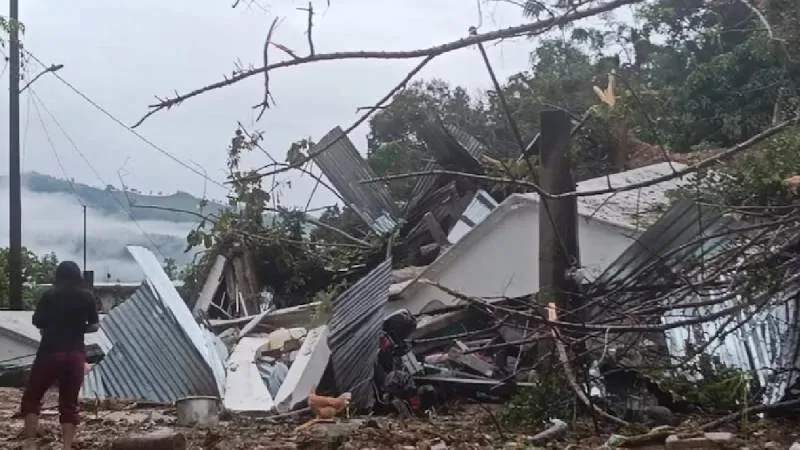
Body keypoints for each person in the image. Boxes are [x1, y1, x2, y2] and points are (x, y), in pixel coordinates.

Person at [19, 261, 99, 450]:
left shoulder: (50, 295)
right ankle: (66, 446)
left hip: (50, 352)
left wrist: (52, 327)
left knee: (32, 397)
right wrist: (79, 328)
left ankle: (30, 444)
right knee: (69, 403)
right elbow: (95, 325)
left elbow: (37, 321)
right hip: (75, 355)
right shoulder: (87, 296)